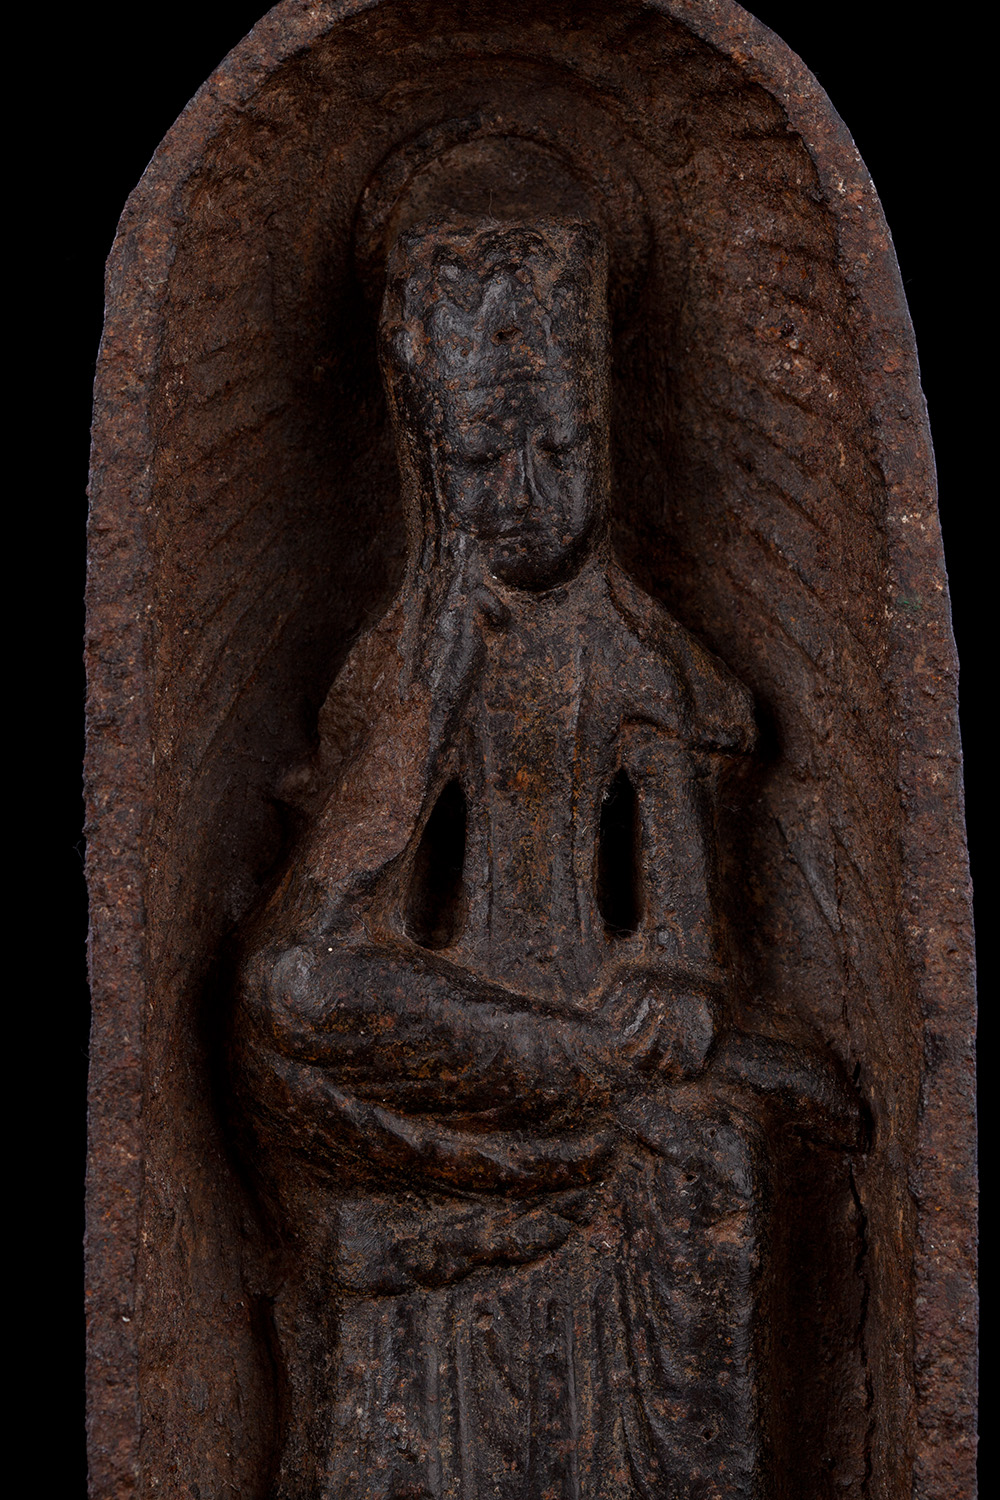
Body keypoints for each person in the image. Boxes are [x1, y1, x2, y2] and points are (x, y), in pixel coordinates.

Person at [232, 219, 860, 1499]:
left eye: (559, 452)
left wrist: (678, 988)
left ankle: (595, 1092)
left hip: (594, 1025)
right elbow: (319, 937)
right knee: (284, 993)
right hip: (473, 1041)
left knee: (702, 1147)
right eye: (481, 460)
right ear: (428, 464)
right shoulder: (405, 660)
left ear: (605, 443)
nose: (522, 490)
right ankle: (586, 1089)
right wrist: (425, 701)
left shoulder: (639, 662)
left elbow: (684, 942)